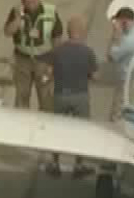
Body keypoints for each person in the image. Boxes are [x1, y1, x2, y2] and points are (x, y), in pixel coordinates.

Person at [37, 27, 100, 177]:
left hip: (61, 95)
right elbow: (96, 76)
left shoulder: (58, 51)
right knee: (82, 131)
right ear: (82, 34)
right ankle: (79, 165)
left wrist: (45, 80)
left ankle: (55, 163)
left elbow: (48, 72)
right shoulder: (88, 52)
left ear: (68, 32)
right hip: (80, 96)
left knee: (57, 130)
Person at [4, 0, 63, 111]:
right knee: (21, 97)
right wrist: (18, 18)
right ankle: (21, 125)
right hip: (22, 61)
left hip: (44, 61)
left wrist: (53, 64)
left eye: (34, 2)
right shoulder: (16, 11)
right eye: (28, 2)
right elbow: (8, 32)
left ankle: (44, 125)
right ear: (23, 1)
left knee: (46, 97)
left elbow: (57, 38)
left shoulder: (50, 11)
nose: (31, 5)